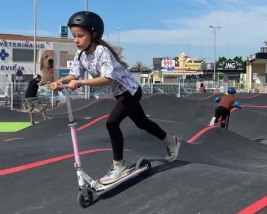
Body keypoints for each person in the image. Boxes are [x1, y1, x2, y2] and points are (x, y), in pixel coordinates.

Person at [49, 11, 181, 185]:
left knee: (111, 123)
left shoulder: (102, 51)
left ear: (94, 34)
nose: (76, 40)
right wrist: (59, 81)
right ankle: (171, 141)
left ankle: (119, 166)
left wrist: (81, 82)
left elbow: (107, 79)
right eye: (74, 36)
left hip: (130, 90)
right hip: (120, 93)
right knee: (142, 122)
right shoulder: (80, 54)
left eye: (80, 36)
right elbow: (73, 74)